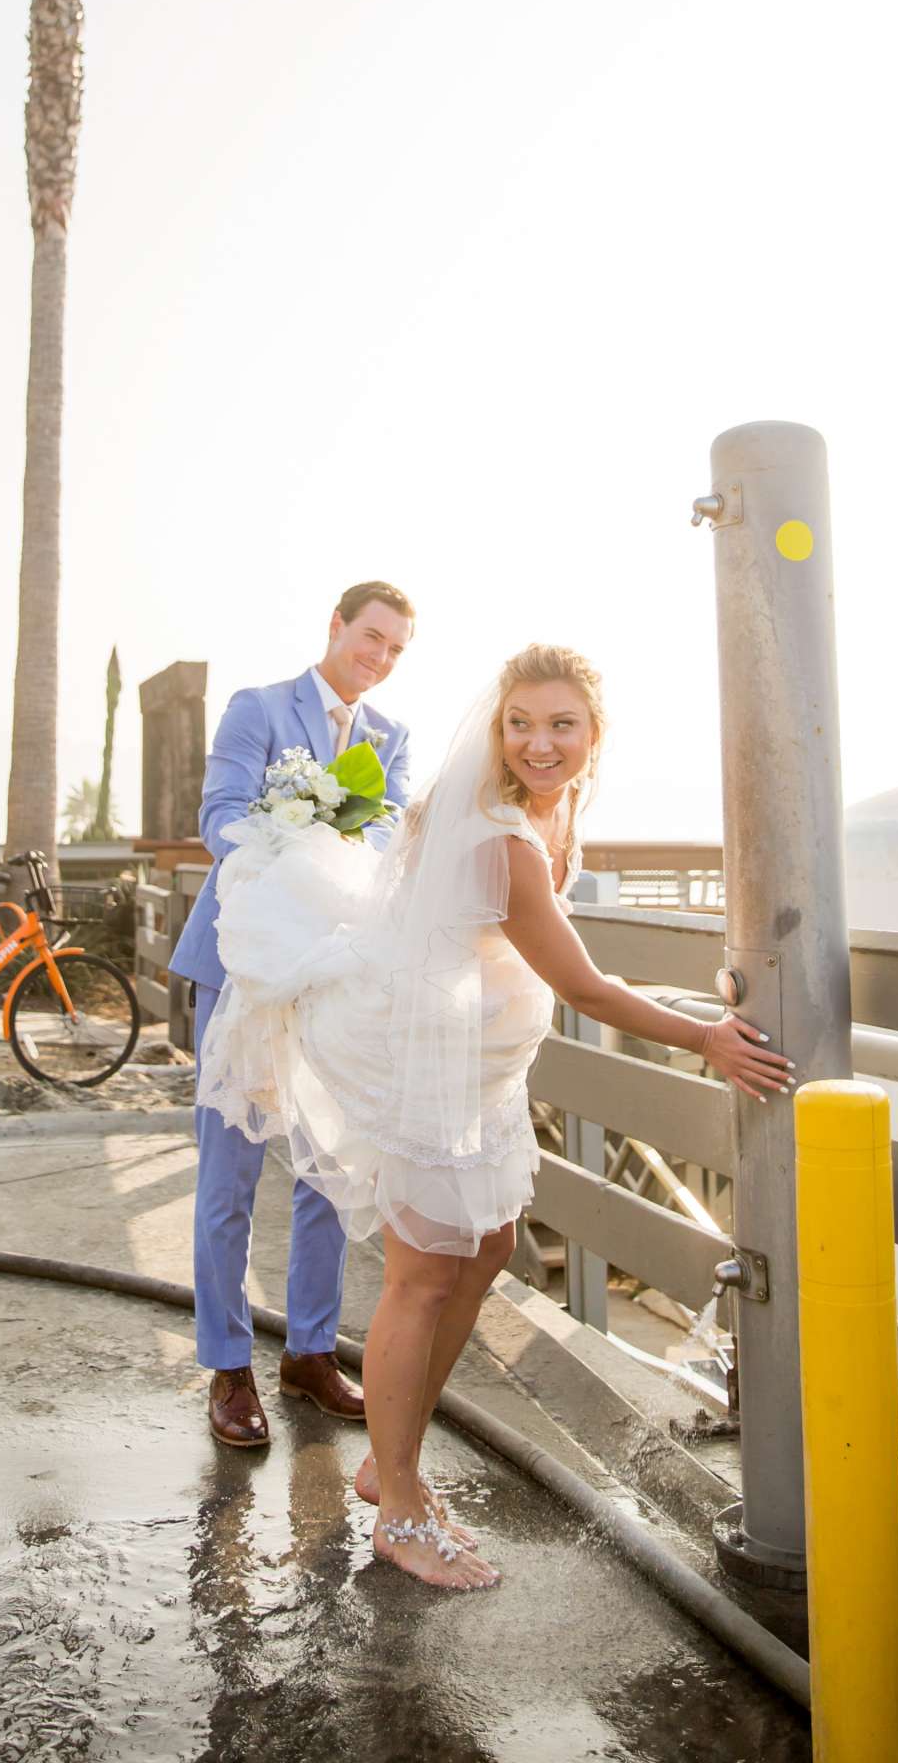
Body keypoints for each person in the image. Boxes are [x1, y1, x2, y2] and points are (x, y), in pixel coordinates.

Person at [198, 643, 794, 1593]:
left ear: (594, 734)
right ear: (497, 727)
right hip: (424, 1056)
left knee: (488, 1245)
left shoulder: (553, 816)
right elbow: (585, 986)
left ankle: (386, 1462)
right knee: (423, 1272)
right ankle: (397, 1501)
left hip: (483, 1065)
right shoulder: (504, 840)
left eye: (560, 724)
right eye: (521, 723)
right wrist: (707, 1037)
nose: (537, 743)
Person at [173, 581, 415, 1450]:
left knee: (326, 1167)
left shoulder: (392, 740)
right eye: (371, 637)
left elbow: (390, 838)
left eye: (395, 649)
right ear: (337, 627)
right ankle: (228, 1367)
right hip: (242, 961)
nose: (379, 658)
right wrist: (300, 850)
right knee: (228, 1171)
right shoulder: (259, 707)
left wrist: (341, 877)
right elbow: (220, 818)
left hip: (334, 972)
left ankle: (310, 1353)